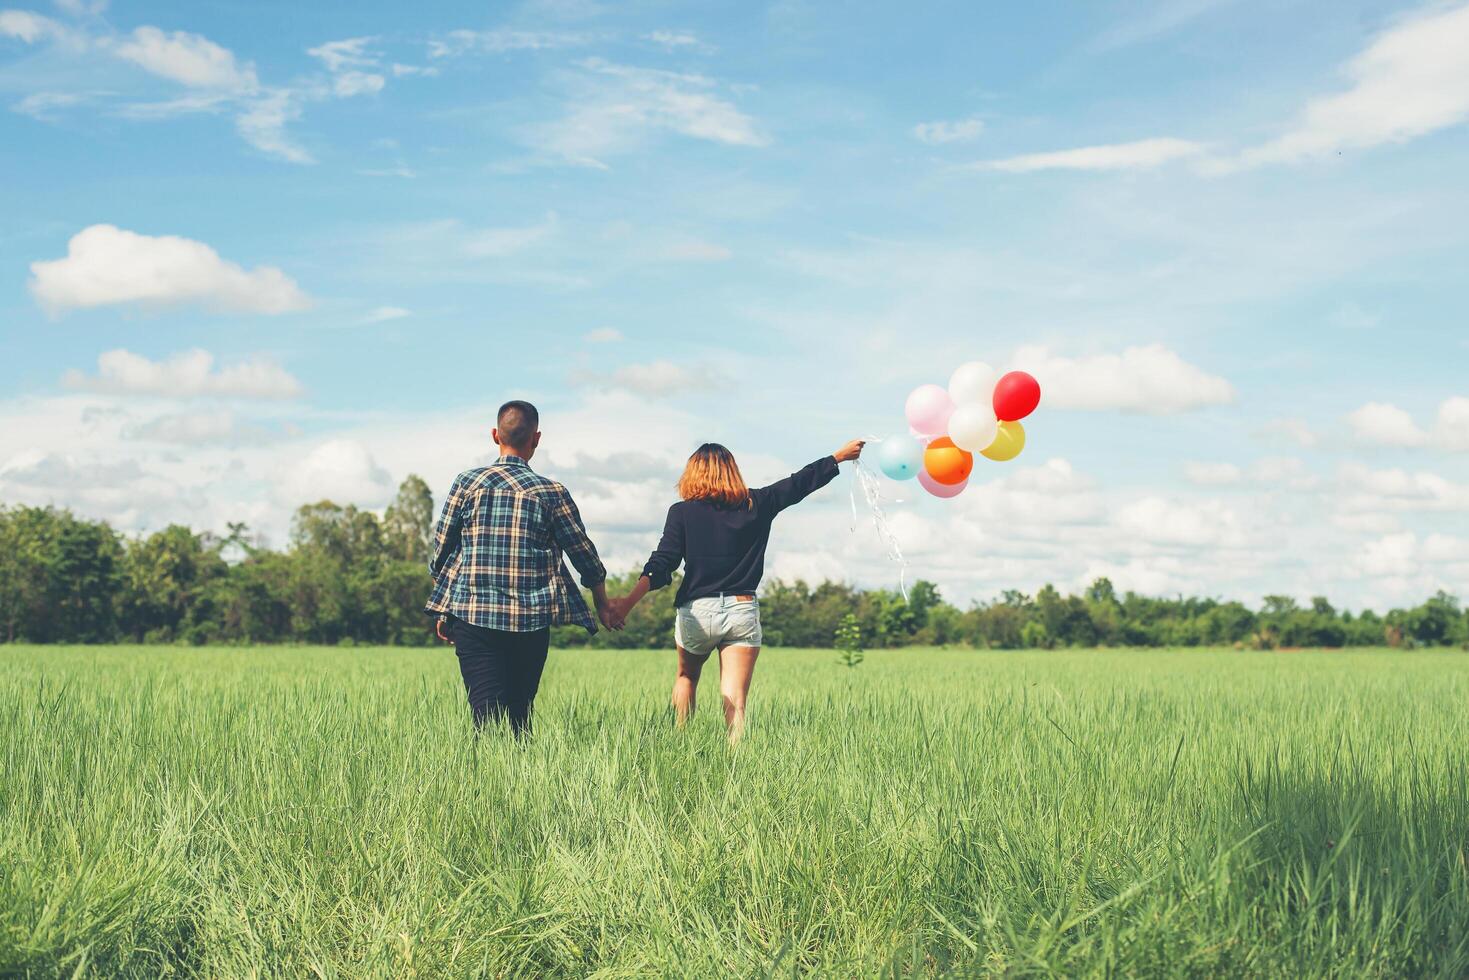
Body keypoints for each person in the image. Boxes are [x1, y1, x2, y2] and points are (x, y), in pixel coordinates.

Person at [609, 439, 865, 742]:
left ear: (691, 474)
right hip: (742, 610)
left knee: (687, 676)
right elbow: (798, 483)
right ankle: (737, 765)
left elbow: (663, 563)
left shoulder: (682, 512)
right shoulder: (758, 503)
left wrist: (627, 602)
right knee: (736, 702)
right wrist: (838, 457)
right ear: (732, 471)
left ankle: (679, 744)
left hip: (698, 612)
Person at [426, 400, 622, 736]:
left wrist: (445, 610)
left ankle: (486, 785)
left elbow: (442, 551)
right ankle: (518, 783)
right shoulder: (551, 492)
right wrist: (603, 603)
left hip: (473, 615)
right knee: (519, 718)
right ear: (536, 439)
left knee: (485, 718)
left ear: (494, 435)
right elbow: (584, 556)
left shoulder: (466, 483)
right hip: (530, 622)